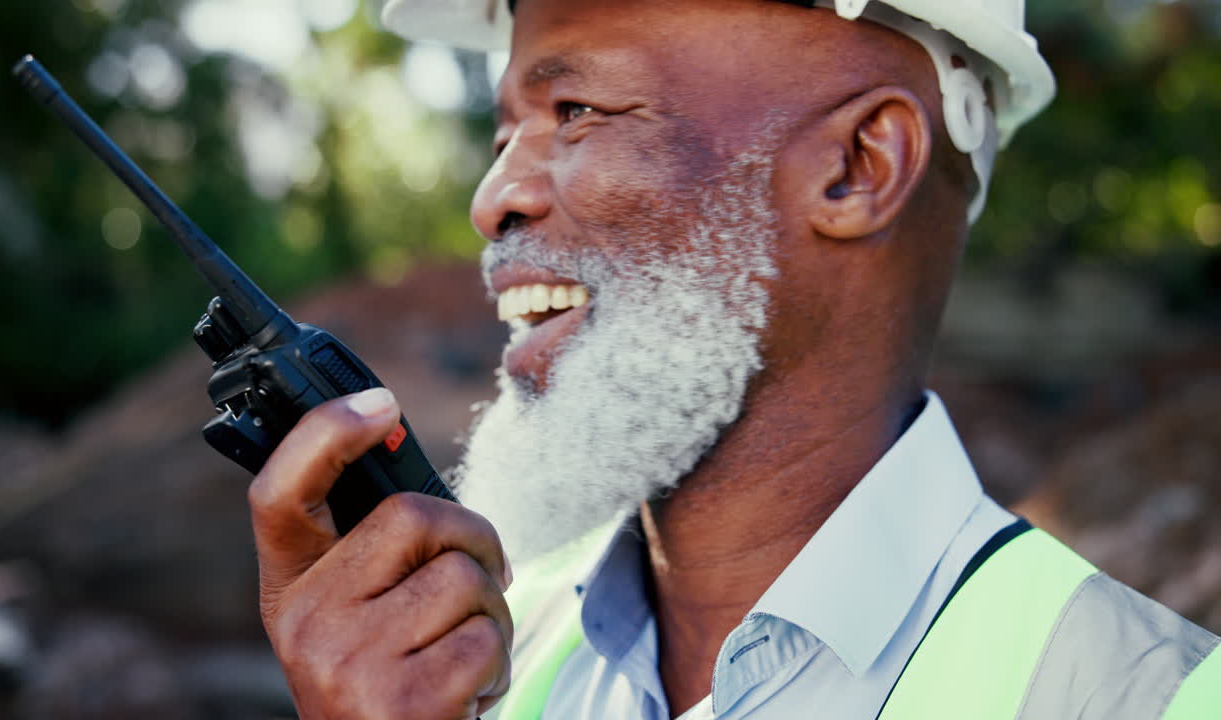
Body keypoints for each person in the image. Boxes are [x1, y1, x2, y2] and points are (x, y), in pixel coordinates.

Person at [245, 0, 1221, 718]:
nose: (491, 197)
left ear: (856, 168)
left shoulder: (1146, 695)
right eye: (504, 133)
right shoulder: (471, 657)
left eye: (574, 109)